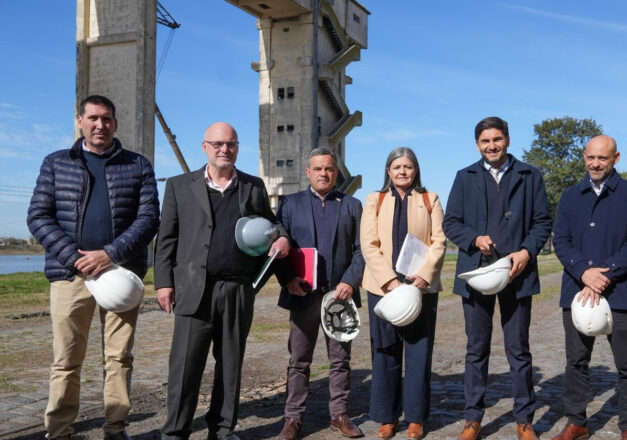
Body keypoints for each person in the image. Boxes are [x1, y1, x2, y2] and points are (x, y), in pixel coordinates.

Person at [27, 94, 160, 440]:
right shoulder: (56, 163)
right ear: (80, 121)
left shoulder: (138, 165)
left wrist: (109, 255)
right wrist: (75, 258)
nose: (100, 125)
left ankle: (116, 429)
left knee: (119, 358)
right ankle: (58, 431)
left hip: (121, 276)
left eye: (106, 119)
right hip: (70, 276)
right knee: (66, 360)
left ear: (115, 124)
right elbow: (38, 216)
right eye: (93, 118)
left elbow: (148, 219)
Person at [155, 122, 290, 440]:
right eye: (216, 144)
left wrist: (282, 238)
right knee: (185, 366)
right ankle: (175, 432)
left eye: (230, 144)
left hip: (237, 289)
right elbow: (166, 239)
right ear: (204, 147)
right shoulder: (178, 186)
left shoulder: (253, 186)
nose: (223, 149)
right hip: (193, 289)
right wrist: (163, 283)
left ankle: (222, 429)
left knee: (230, 365)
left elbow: (272, 224)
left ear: (237, 147)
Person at [443, 116, 552, 440]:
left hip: (517, 275)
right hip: (477, 275)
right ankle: (473, 419)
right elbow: (451, 222)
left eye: (497, 139)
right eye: (485, 141)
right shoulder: (465, 177)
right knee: (476, 349)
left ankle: (524, 420)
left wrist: (526, 252)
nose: (492, 145)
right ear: (477, 144)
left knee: (518, 349)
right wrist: (474, 238)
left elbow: (543, 222)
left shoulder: (530, 175)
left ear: (507, 139)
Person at [550, 135, 627, 440]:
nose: (595, 164)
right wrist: (584, 272)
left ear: (616, 159)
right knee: (577, 361)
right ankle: (576, 420)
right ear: (584, 157)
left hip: (619, 293)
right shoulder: (570, 196)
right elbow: (561, 241)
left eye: (602, 158)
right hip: (578, 292)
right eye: (590, 158)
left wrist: (604, 275)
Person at [274, 148, 365, 440]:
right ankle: (293, 419)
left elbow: (362, 250)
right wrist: (287, 279)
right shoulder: (289, 204)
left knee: (340, 360)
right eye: (318, 169)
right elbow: (277, 248)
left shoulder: (352, 205)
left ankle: (339, 414)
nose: (323, 173)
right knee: (299, 361)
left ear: (336, 172)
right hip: (303, 296)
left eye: (329, 169)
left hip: (340, 297)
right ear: (308, 173)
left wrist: (351, 281)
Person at [360, 147, 447, 440]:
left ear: (416, 170)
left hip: (420, 287)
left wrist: (423, 277)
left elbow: (439, 240)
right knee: (385, 351)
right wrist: (390, 283)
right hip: (383, 288)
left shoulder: (429, 198)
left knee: (418, 352)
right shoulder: (375, 199)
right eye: (396, 167)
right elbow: (368, 244)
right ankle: (387, 417)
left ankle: (416, 418)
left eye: (408, 167)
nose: (402, 172)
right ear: (388, 171)